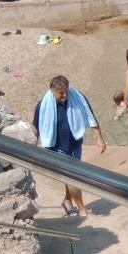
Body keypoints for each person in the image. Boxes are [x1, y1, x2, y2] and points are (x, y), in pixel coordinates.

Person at [34, 76, 106, 218]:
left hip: (75, 144)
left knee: (70, 176)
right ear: (53, 91)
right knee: (73, 177)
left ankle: (67, 201)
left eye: (66, 91)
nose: (65, 95)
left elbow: (91, 116)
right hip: (56, 147)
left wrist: (99, 138)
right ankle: (82, 210)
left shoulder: (78, 97)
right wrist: (33, 148)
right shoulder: (43, 105)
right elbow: (36, 127)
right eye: (60, 93)